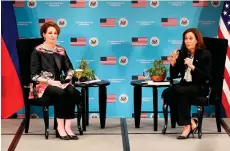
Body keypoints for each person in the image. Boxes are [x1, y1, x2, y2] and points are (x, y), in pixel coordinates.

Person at [29, 22, 81, 140]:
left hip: (59, 82)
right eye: (50, 33)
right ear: (44, 34)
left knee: (72, 92)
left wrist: (68, 78)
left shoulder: (60, 50)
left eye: (55, 33)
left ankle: (68, 127)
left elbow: (70, 69)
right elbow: (34, 76)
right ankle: (60, 128)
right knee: (61, 92)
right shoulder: (37, 51)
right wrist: (51, 82)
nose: (53, 36)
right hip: (42, 85)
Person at [162, 28, 212, 139]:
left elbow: (207, 77)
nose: (187, 41)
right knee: (167, 93)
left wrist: (193, 67)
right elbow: (175, 75)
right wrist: (173, 63)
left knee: (181, 92)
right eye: (185, 39)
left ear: (197, 40)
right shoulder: (182, 54)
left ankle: (187, 127)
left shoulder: (205, 54)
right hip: (185, 85)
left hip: (199, 86)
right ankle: (191, 122)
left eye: (190, 38)